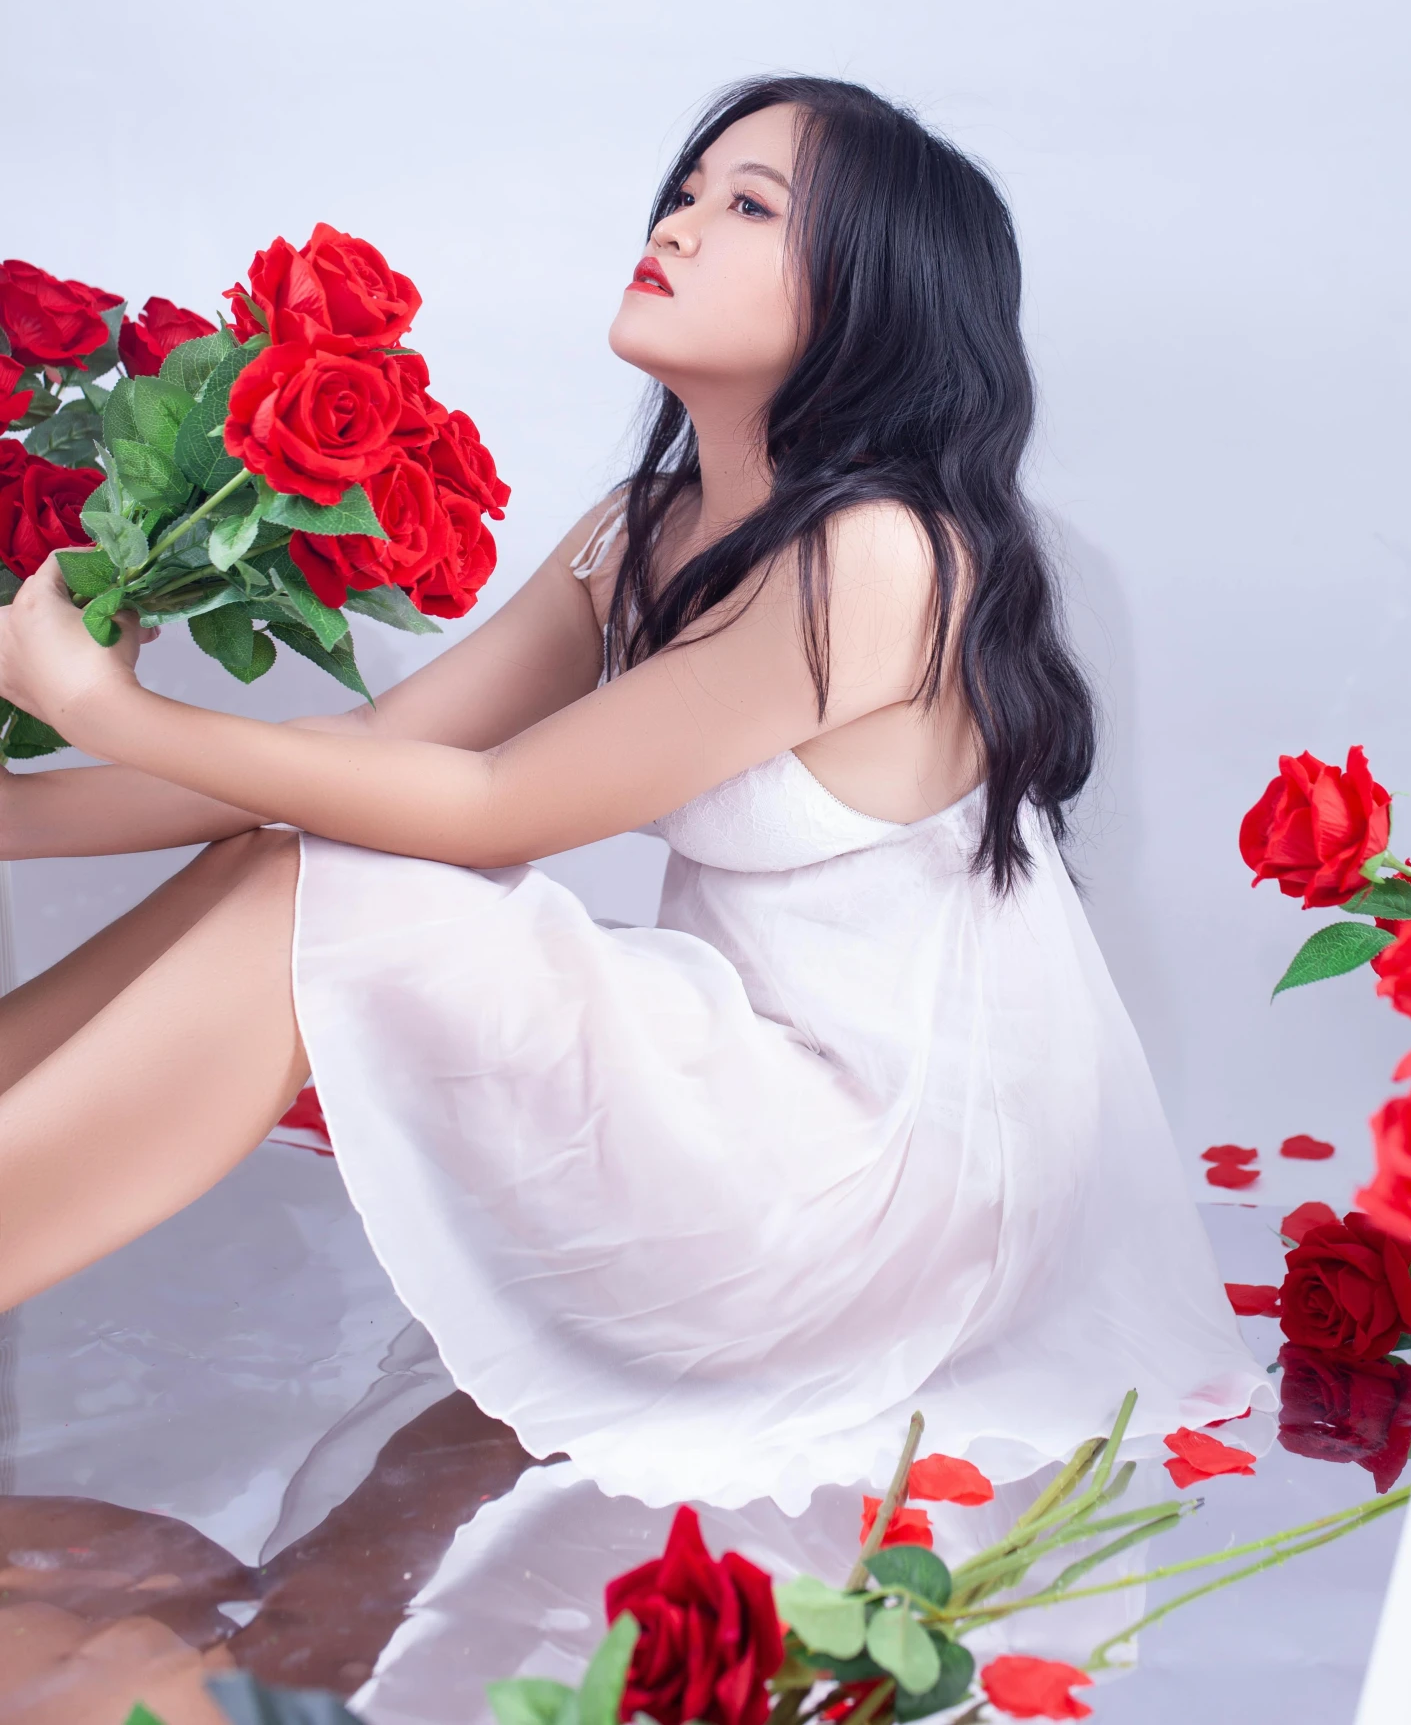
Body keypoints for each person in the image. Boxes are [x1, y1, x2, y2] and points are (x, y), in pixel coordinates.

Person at [0, 76, 1262, 1511]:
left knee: (332, 877)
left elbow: (485, 804)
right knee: (296, 855)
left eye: (748, 206)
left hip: (854, 1208)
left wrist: (108, 705)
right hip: (730, 1110)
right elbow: (380, 744)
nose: (676, 221)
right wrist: (19, 811)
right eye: (687, 187)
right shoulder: (642, 527)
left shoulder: (883, 556)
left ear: (871, 296)